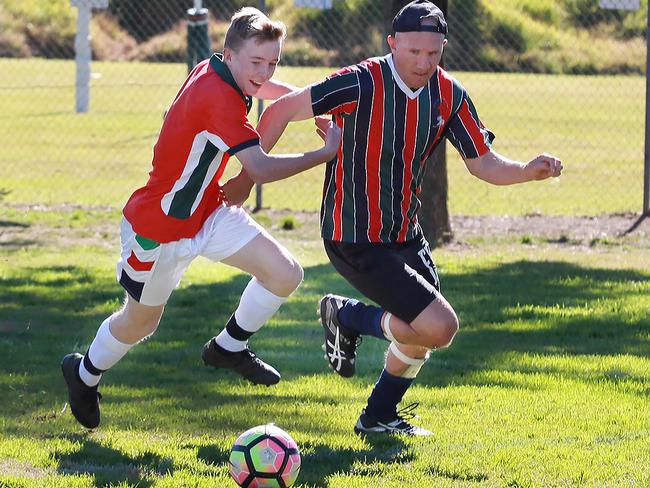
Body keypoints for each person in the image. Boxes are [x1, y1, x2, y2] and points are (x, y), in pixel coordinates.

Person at [257, 0, 563, 436]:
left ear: (443, 48)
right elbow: (279, 110)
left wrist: (526, 172)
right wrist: (249, 176)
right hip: (355, 234)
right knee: (439, 327)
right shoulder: (359, 82)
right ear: (393, 43)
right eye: (413, 52)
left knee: (418, 335)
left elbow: (483, 163)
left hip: (406, 233)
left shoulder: (449, 95)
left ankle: (378, 417)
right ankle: (347, 317)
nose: (423, 62)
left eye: (433, 53)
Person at [61, 7, 341, 429]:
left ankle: (228, 347)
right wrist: (324, 154)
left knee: (284, 273)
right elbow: (260, 168)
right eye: (256, 63)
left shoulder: (215, 66)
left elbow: (271, 91)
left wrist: (308, 101)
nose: (264, 73)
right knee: (140, 322)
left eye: (272, 62)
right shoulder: (218, 99)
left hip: (208, 211)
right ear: (229, 55)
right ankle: (84, 374)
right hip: (159, 228)